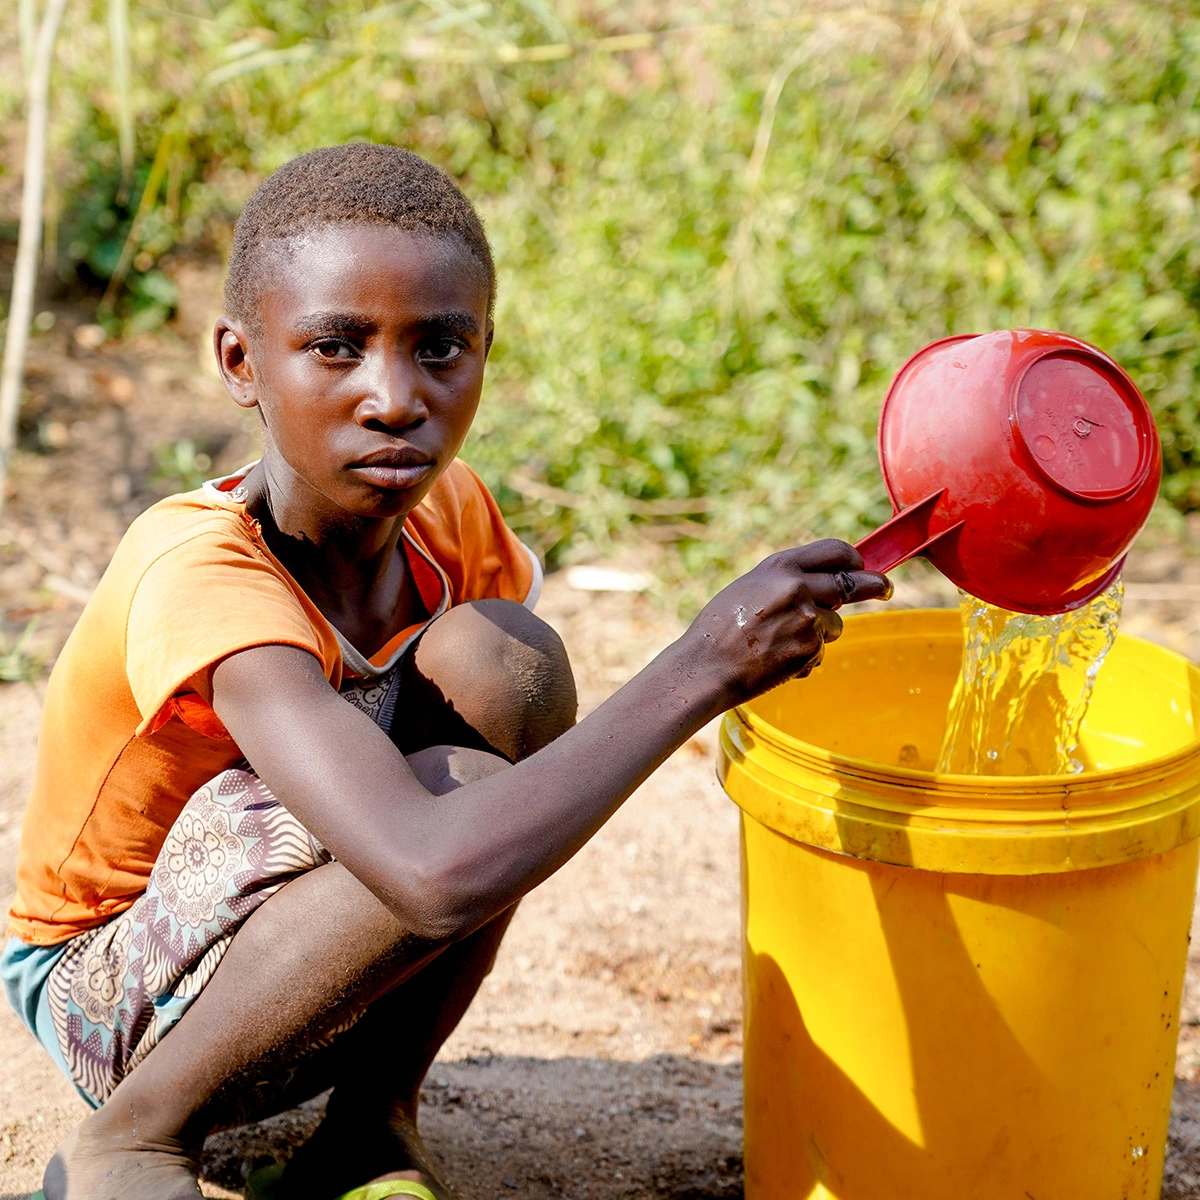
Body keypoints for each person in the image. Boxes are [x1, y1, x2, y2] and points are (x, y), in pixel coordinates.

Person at [2, 143, 891, 1200]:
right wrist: (699, 666)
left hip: (309, 970)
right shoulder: (201, 571)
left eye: (439, 348)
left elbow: (490, 787)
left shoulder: (451, 510)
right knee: (460, 806)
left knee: (508, 664)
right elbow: (429, 874)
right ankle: (135, 1143)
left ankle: (373, 1116)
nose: (394, 398)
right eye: (335, 348)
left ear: (485, 351)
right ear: (240, 363)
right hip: (113, 997)